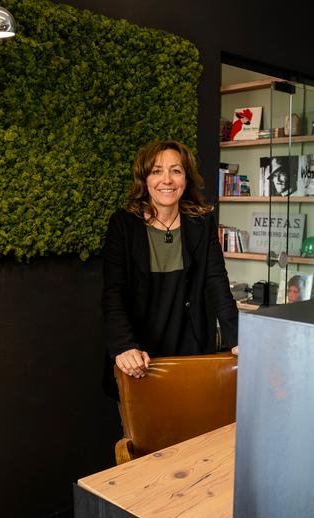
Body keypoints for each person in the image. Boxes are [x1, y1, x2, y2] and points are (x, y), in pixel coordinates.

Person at [101, 140, 239, 384]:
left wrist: (237, 337)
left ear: (186, 179)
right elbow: (114, 292)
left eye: (176, 171)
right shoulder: (123, 225)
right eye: (157, 171)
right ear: (145, 179)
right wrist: (124, 345)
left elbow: (216, 281)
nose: (167, 180)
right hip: (139, 355)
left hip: (192, 350)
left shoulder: (201, 222)